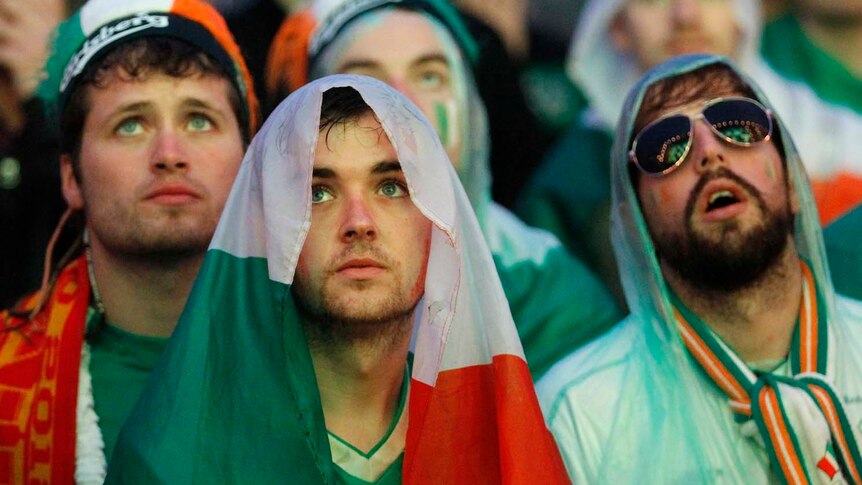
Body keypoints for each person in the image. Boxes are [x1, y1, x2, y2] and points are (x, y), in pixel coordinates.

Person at [107, 75, 568, 483]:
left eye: (391, 187)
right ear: (270, 231)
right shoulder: (172, 463)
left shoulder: (505, 450)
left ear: (440, 224)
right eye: (318, 193)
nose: (359, 221)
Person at [537, 54, 862, 482]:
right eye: (666, 147)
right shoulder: (576, 417)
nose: (709, 154)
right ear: (634, 226)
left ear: (794, 181)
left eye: (738, 124)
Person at [265, 0, 623, 380]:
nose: (403, 104)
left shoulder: (548, 291)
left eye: (430, 77)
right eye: (365, 82)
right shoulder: (263, 286)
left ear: (471, 111)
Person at [0, 0, 257, 481]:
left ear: (249, 159)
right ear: (71, 177)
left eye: (199, 119)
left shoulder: (340, 362)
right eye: (131, 124)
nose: (169, 154)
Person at [517, 0, 862, 303]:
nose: (686, 15)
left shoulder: (832, 130)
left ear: (739, 15)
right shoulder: (572, 179)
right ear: (618, 27)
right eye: (653, 1)